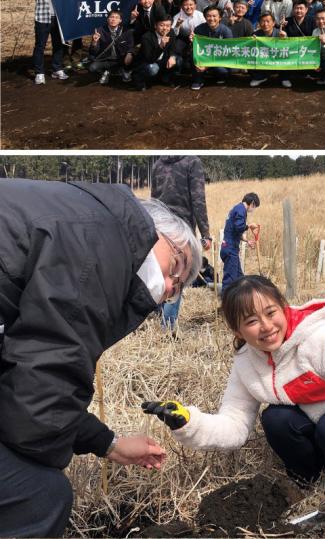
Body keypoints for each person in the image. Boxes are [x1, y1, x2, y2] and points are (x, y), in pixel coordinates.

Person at [143, 275, 325, 539]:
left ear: (284, 307)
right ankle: (309, 483)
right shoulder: (246, 363)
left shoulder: (321, 340)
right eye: (251, 321)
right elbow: (235, 424)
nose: (266, 326)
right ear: (237, 330)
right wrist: (190, 422)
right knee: (276, 417)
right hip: (319, 431)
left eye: (271, 312)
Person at [0, 181, 199, 538]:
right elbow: (36, 407)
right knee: (40, 495)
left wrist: (107, 443)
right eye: (176, 268)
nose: (170, 288)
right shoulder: (101, 244)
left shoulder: (85, 219)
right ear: (153, 233)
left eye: (179, 288)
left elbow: (25, 383)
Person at [150, 155, 213, 333]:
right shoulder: (192, 162)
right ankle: (167, 327)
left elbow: (153, 200)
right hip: (181, 229)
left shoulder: (158, 164)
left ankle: (157, 314)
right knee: (178, 275)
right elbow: (198, 199)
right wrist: (205, 233)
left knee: (159, 273)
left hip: (159, 227)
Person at [20, 0, 66, 84]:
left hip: (59, 19)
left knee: (58, 45)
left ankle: (57, 69)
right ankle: (39, 73)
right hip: (42, 18)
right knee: (40, 46)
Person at [220, 192, 259, 291]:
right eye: (255, 207)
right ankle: (226, 301)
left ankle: (239, 300)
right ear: (252, 203)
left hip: (229, 247)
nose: (253, 210)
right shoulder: (241, 210)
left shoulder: (236, 208)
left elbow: (234, 230)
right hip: (230, 248)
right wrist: (249, 225)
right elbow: (239, 227)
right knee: (230, 279)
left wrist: (246, 241)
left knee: (239, 277)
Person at [87, 8, 134, 85]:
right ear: (107, 19)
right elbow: (93, 52)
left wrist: (129, 53)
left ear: (120, 20)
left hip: (120, 59)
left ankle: (123, 71)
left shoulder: (126, 31)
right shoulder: (99, 31)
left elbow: (131, 45)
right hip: (105, 59)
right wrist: (94, 42)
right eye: (111, 17)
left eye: (116, 18)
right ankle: (105, 72)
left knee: (133, 59)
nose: (113, 19)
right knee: (92, 68)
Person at [190, 7, 232, 90]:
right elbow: (196, 49)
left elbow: (228, 52)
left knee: (222, 71)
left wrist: (208, 66)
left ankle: (218, 76)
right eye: (208, 16)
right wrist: (192, 41)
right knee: (193, 56)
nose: (211, 19)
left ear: (220, 18)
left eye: (214, 16)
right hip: (204, 57)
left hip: (220, 59)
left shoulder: (226, 31)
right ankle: (198, 80)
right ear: (205, 17)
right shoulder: (199, 29)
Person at [139, 17, 185, 86]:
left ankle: (167, 77)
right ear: (155, 25)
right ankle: (143, 80)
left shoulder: (171, 32)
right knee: (153, 69)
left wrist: (172, 56)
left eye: (168, 26)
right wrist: (160, 46)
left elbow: (173, 48)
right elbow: (149, 59)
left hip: (163, 60)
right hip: (150, 62)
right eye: (162, 25)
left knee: (178, 60)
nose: (165, 28)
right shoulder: (147, 37)